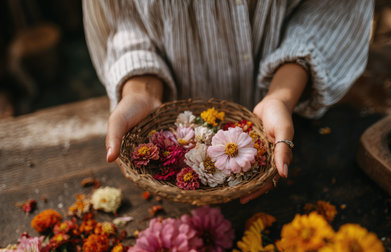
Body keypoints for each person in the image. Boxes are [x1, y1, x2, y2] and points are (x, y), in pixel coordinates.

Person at [83, 0, 373, 203]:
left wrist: (281, 97)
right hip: (172, 127)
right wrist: (141, 93)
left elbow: (332, 10)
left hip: (292, 121)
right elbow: (122, 18)